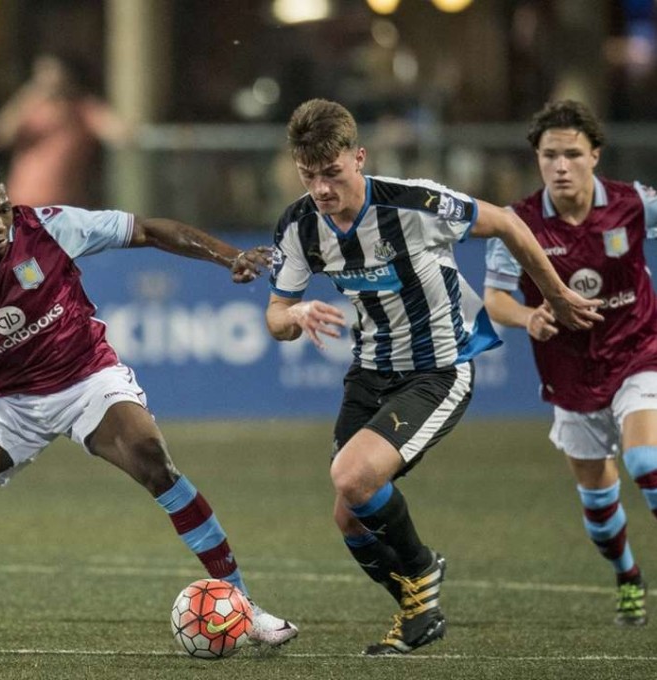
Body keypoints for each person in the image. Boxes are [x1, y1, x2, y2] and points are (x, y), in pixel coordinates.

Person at [0, 159, 297, 651]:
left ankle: (246, 608)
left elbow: (150, 230)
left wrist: (230, 257)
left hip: (86, 378)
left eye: (3, 210)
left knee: (153, 460)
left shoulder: (49, 227)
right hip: (9, 404)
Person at [264, 98, 601, 655]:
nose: (321, 189)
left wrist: (557, 294)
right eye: (309, 176)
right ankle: (419, 614)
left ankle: (422, 572)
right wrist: (294, 315)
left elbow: (509, 224)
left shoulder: (414, 202)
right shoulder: (300, 226)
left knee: (352, 477)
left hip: (438, 370)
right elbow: (276, 316)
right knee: (350, 517)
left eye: (332, 173)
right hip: (369, 371)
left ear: (359, 158)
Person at [484, 99, 657, 626]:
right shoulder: (517, 223)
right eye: (550, 155)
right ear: (537, 159)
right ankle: (627, 576)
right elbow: (495, 298)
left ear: (595, 156)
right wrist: (528, 318)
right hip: (570, 377)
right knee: (600, 510)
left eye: (573, 154)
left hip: (637, 354)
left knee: (646, 463)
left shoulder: (635, 204)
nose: (561, 166)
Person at [0, 53, 128, 208]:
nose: (48, 81)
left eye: (53, 74)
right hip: (22, 203)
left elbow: (120, 134)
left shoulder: (83, 110)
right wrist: (26, 98)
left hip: (63, 208)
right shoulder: (30, 109)